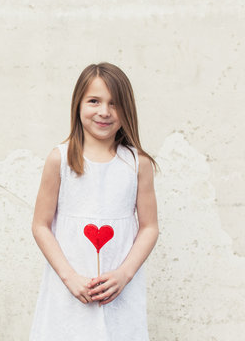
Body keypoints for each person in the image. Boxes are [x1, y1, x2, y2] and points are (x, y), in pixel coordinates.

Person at [29, 62, 159, 340]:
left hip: (119, 293)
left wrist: (124, 274)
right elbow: (41, 225)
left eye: (114, 103)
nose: (104, 111)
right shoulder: (59, 160)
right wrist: (70, 278)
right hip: (68, 292)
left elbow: (149, 227)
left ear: (127, 109)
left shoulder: (138, 164)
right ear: (78, 104)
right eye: (94, 101)